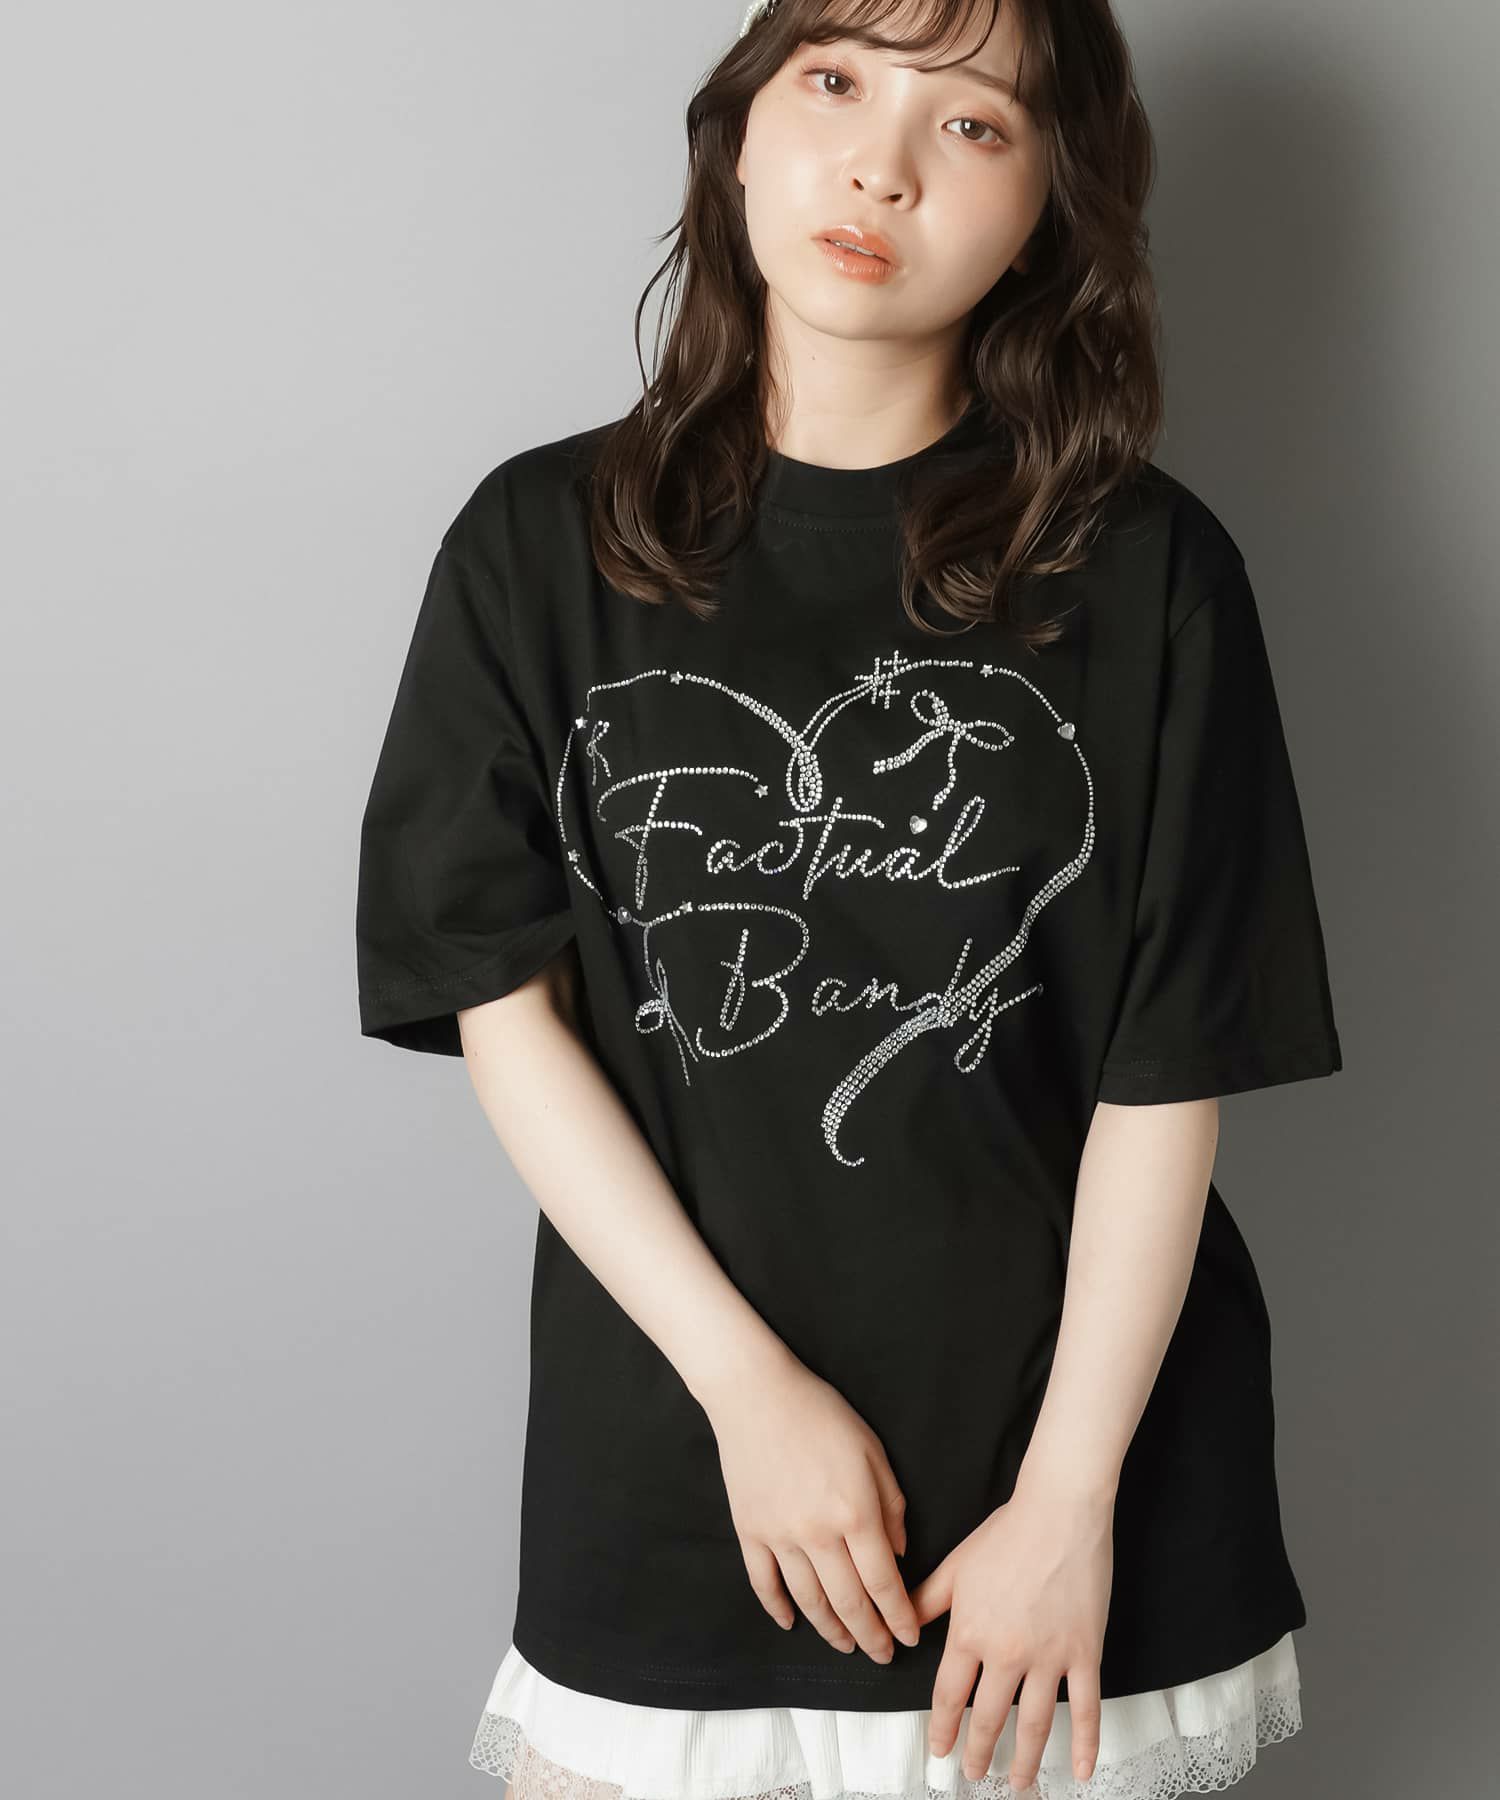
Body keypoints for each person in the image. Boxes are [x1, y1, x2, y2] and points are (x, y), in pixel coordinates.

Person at [354, 0, 1343, 1795]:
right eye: (834, 81)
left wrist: (1068, 1504)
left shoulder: (1152, 571)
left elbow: (1167, 1070)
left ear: (1047, 207)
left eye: (973, 124)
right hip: (684, 1471)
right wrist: (747, 1392)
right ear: (740, 131)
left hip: (1074, 1500)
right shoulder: (533, 547)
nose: (881, 164)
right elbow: (505, 1010)